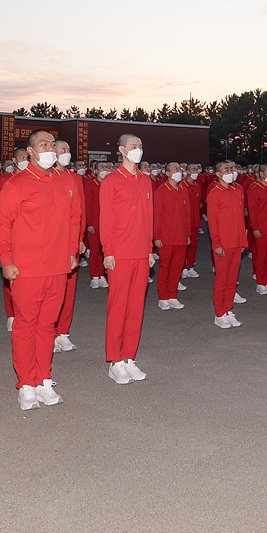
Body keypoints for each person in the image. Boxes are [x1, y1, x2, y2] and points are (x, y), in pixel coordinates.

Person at [0, 130, 82, 408]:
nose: (49, 148)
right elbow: (2, 223)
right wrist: (6, 261)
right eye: (42, 144)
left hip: (57, 267)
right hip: (26, 269)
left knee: (47, 326)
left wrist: (71, 253)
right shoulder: (17, 183)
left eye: (52, 144)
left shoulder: (66, 180)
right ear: (31, 152)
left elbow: (73, 219)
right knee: (25, 326)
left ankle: (43, 378)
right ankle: (26, 383)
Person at [100, 134, 156, 384]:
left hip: (141, 253)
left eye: (141, 146)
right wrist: (108, 251)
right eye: (134, 146)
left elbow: (149, 217)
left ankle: (129, 356)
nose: (138, 150)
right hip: (120, 253)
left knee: (136, 307)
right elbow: (106, 219)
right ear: (122, 149)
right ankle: (115, 360)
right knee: (118, 307)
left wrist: (149, 249)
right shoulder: (111, 182)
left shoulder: (145, 181)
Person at [52, 139, 86, 352]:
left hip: (70, 242)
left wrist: (79, 239)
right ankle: (49, 331)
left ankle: (63, 331)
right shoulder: (45, 177)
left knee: (68, 290)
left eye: (69, 150)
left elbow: (79, 212)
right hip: (50, 243)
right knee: (50, 293)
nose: (67, 153)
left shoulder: (74, 178)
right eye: (62, 149)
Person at [206, 160, 247, 329]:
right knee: (222, 279)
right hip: (223, 243)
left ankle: (229, 309)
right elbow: (213, 222)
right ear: (218, 174)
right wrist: (217, 243)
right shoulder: (215, 193)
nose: (230, 171)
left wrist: (243, 241)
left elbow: (240, 219)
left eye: (231, 168)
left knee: (232, 279)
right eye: (226, 169)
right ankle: (219, 313)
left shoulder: (238, 191)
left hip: (236, 243)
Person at [153, 161, 190, 310]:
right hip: (167, 237)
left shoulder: (183, 190)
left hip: (181, 237)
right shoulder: (161, 191)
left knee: (177, 269)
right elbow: (157, 216)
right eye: (174, 169)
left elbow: (187, 215)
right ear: (167, 173)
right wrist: (157, 236)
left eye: (179, 168)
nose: (178, 170)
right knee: (165, 268)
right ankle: (163, 297)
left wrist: (188, 234)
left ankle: (173, 296)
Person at [247, 164, 267, 296]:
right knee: (261, 256)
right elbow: (252, 211)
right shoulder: (255, 189)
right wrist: (255, 227)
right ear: (260, 174)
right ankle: (260, 282)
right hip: (261, 228)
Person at [85, 162, 109, 288]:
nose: (104, 169)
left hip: (106, 224)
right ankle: (94, 276)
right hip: (95, 224)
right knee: (95, 251)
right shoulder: (91, 185)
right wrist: (89, 223)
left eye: (106, 167)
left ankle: (101, 275)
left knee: (104, 251)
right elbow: (88, 205)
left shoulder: (108, 185)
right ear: (95, 171)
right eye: (101, 167)